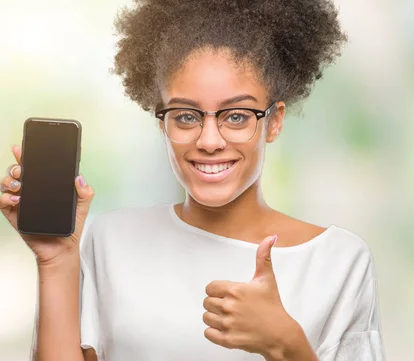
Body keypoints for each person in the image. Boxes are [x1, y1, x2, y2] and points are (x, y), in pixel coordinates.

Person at [0, 0, 386, 360]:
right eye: (186, 116)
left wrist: (287, 344)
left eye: (236, 115)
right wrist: (55, 260)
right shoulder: (111, 240)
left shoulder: (338, 260)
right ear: (163, 122)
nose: (209, 141)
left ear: (275, 121)